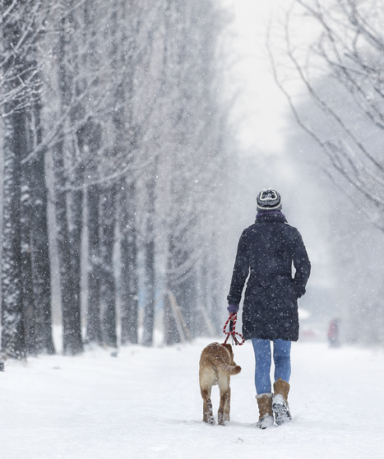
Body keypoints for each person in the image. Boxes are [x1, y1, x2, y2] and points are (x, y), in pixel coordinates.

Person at [227, 188, 311, 429]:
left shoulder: (248, 235)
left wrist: (234, 303)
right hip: (284, 302)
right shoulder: (291, 233)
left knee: (262, 360)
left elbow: (239, 272)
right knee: (283, 356)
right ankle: (281, 399)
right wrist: (295, 289)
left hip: (256, 302)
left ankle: (264, 414)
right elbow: (304, 266)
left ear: (258, 209)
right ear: (279, 208)